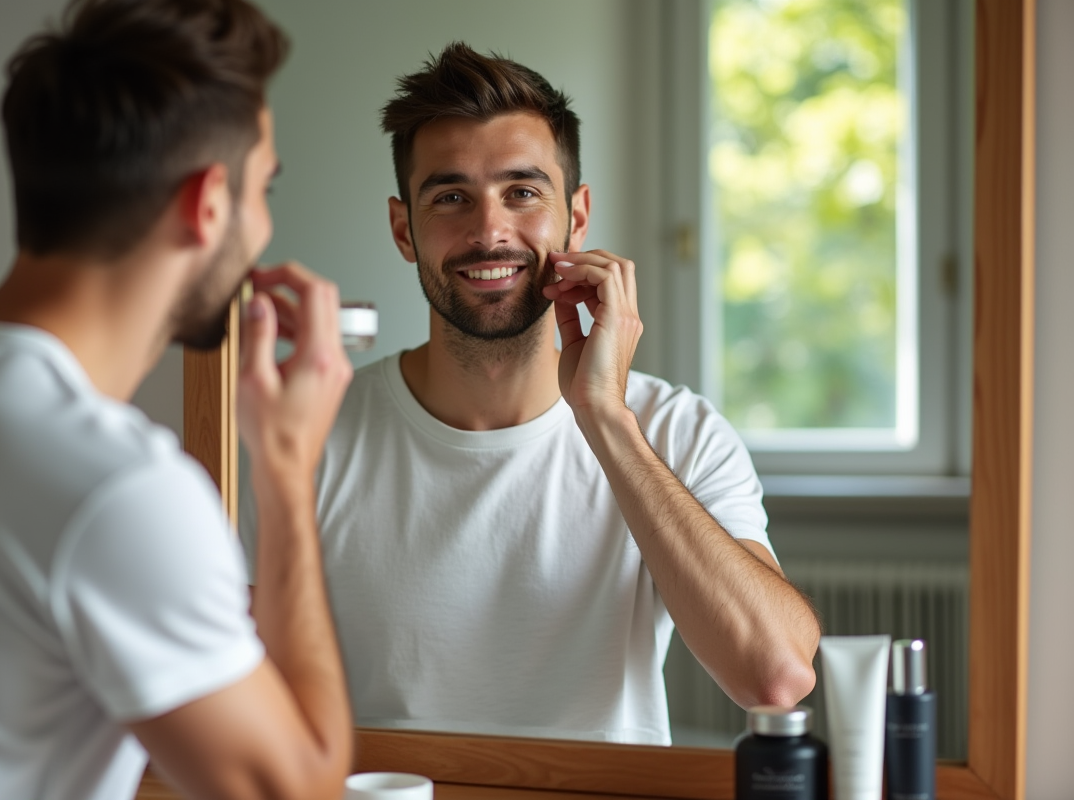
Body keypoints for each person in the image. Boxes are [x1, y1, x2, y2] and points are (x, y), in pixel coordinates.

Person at [0, 1, 354, 798]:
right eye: (263, 187)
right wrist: (286, 467)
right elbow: (296, 790)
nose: (263, 227)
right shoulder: (120, 489)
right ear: (206, 205)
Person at [308, 43, 821, 745]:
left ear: (577, 216)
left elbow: (777, 676)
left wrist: (605, 416)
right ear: (405, 228)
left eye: (522, 192)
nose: (490, 231)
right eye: (451, 197)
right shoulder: (310, 432)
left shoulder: (677, 432)